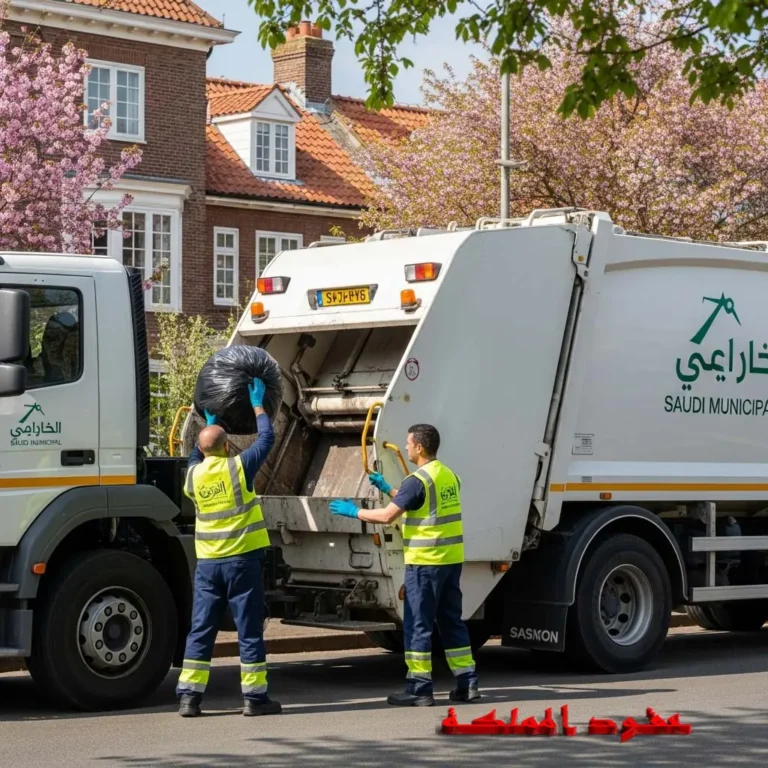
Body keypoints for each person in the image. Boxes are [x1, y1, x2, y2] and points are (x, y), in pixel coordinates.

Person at [329, 423, 480, 707]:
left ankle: (419, 688)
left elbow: (388, 516)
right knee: (452, 622)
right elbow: (421, 503)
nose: (406, 446)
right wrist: (389, 488)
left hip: (424, 565)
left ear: (420, 447)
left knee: (418, 625)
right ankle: (467, 682)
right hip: (450, 562)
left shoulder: (417, 480)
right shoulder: (449, 476)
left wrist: (355, 511)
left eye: (409, 443)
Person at [176, 377, 281, 718]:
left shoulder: (192, 477)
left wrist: (207, 424)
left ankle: (190, 697)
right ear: (226, 447)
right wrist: (257, 406)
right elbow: (267, 438)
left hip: (207, 565)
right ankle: (255, 698)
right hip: (241, 562)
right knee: (248, 627)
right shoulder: (238, 468)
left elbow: (196, 455)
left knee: (202, 628)